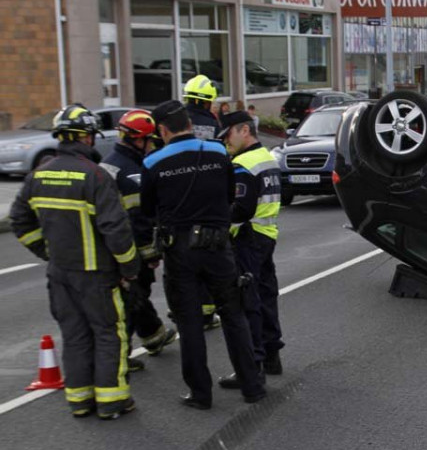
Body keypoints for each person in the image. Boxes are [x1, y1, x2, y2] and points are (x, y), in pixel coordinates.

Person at [10, 104, 140, 420]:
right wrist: (129, 268)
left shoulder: (37, 175)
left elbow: (19, 220)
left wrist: (45, 251)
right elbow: (116, 230)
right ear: (89, 138)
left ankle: (80, 401)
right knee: (108, 333)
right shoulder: (94, 176)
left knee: (75, 334)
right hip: (96, 275)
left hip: (59, 274)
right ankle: (111, 401)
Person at [141, 100, 266, 409]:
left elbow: (147, 210)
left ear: (162, 129)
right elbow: (227, 195)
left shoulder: (153, 162)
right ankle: (252, 386)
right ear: (189, 123)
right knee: (233, 315)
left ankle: (201, 394)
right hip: (218, 246)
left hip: (180, 250)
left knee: (190, 322)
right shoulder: (217, 152)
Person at [99, 110, 177, 369]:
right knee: (131, 298)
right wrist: (150, 254)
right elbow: (139, 219)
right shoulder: (133, 174)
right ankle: (119, 359)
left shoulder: (108, 162)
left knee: (133, 296)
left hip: (107, 243)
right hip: (129, 249)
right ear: (138, 140)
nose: (152, 146)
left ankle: (153, 336)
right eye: (150, 141)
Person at [216, 112, 284, 389]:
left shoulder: (243, 163)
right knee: (267, 295)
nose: (226, 142)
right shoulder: (268, 157)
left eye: (228, 135)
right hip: (267, 234)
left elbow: (241, 208)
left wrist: (219, 219)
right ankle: (271, 356)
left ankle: (252, 366)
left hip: (247, 237)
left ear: (245, 130)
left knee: (248, 302)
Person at [182, 74, 222, 329]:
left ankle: (184, 309)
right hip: (206, 198)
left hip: (177, 197)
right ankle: (207, 311)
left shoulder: (177, 119)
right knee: (207, 257)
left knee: (181, 258)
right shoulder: (213, 125)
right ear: (208, 102)